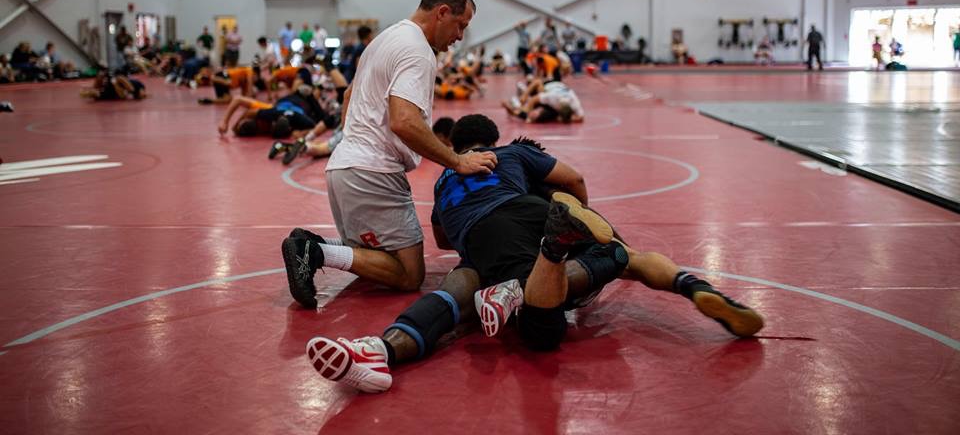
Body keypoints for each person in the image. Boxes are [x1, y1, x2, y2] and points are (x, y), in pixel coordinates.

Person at [304, 115, 764, 393]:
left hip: (478, 241)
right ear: (492, 139)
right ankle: (689, 285)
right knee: (620, 260)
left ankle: (377, 349)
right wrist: (587, 218)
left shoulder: (444, 180)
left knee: (456, 291)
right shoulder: (511, 154)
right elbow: (575, 179)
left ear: (456, 147)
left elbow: (443, 241)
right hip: (528, 213)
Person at [281, 0, 497, 306]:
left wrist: (354, 141)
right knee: (409, 273)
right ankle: (316, 252)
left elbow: (349, 95)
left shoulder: (385, 38)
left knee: (374, 252)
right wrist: (458, 161)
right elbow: (404, 120)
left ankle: (313, 244)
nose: (459, 36)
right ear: (442, 12)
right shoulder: (418, 51)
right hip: (373, 172)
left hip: (345, 165)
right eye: (460, 25)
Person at [503, 78, 584, 124]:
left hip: (559, 89)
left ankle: (518, 107)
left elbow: (580, 117)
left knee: (536, 114)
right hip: (550, 85)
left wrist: (567, 119)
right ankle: (523, 94)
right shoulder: (552, 98)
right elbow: (533, 100)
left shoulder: (574, 103)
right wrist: (526, 113)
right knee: (537, 85)